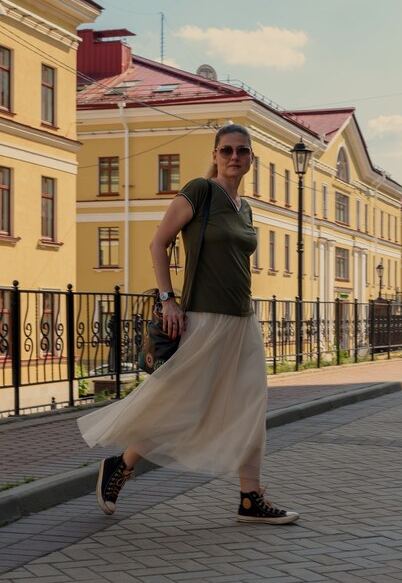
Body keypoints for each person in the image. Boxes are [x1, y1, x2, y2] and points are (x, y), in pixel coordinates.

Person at [78, 124, 299, 524]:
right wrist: (167, 300)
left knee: (252, 405)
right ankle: (121, 465)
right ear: (215, 155)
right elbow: (158, 242)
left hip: (242, 320)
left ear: (252, 159)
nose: (235, 157)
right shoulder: (200, 190)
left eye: (242, 151)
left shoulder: (244, 207)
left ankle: (250, 498)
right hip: (205, 319)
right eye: (227, 150)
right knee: (184, 405)